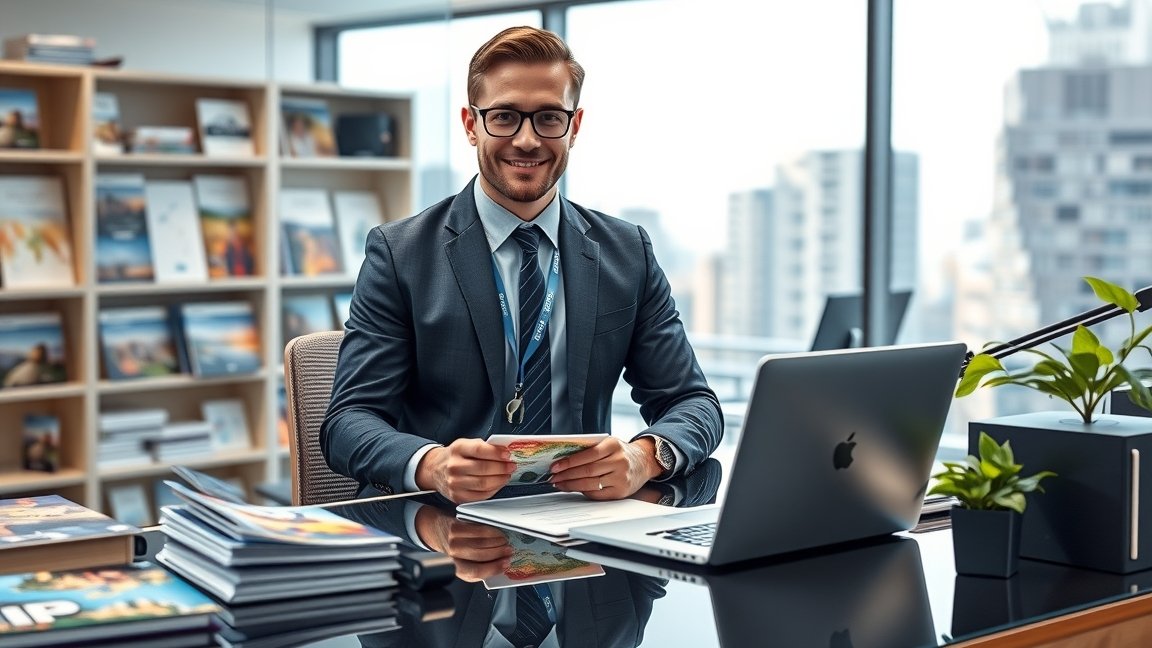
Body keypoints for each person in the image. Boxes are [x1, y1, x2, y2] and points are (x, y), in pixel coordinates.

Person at [321, 26, 723, 505]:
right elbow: (348, 421)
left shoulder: (627, 251)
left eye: (549, 118)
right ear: (471, 124)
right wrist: (432, 465)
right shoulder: (400, 253)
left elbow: (693, 403)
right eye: (505, 117)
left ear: (574, 126)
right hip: (447, 525)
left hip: (582, 522)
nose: (527, 140)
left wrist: (644, 457)